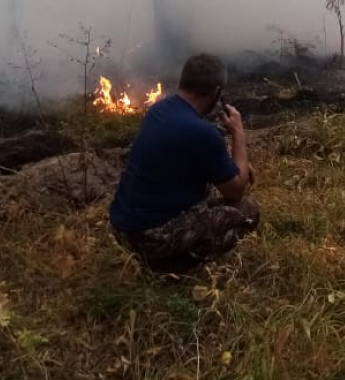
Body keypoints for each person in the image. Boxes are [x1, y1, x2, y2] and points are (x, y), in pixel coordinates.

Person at [109, 53, 259, 272]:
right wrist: (238, 132)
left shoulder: (158, 110)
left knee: (210, 196)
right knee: (246, 210)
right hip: (151, 237)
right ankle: (179, 264)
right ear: (217, 93)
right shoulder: (203, 133)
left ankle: (166, 256)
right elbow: (235, 191)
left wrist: (233, 165)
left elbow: (188, 157)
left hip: (122, 229)